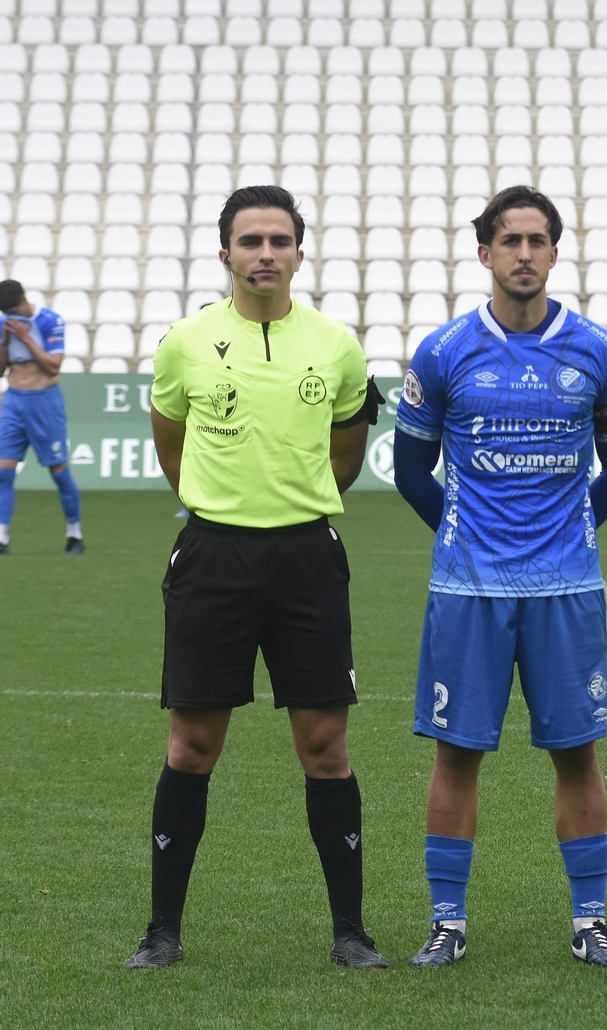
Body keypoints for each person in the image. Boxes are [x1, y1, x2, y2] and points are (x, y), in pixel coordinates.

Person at [126, 186, 386, 969]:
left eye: (279, 240)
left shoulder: (336, 346)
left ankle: (350, 933)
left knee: (325, 745)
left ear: (300, 253)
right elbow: (171, 445)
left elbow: (348, 453)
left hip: (307, 557)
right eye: (250, 241)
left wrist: (293, 504)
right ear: (225, 254)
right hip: (214, 559)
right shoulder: (185, 342)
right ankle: (162, 933)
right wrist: (222, 504)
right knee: (192, 744)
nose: (265, 253)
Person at [393, 186, 607, 969]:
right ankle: (447, 922)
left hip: (564, 588)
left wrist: (570, 529)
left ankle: (591, 920)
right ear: (485, 254)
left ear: (555, 253)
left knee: (577, 751)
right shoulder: (442, 352)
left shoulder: (595, 349)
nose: (525, 254)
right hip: (467, 589)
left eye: (538, 241)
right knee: (456, 753)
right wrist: (469, 535)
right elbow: (409, 468)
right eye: (511, 242)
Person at [0, 280, 84, 553]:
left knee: (59, 473)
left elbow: (53, 366)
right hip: (13, 401)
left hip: (44, 402)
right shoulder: (4, 323)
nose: (11, 315)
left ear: (24, 300)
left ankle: (75, 534)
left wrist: (25, 338)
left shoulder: (50, 321)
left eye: (14, 310)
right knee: (3, 472)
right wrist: (5, 342)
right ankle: (2, 537)